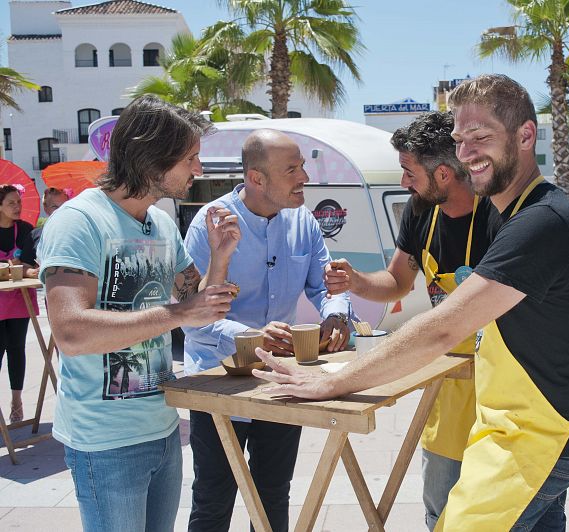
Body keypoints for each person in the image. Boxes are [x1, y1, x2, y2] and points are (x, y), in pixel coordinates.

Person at [252, 74, 569, 531]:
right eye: (461, 140)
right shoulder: (510, 211)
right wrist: (360, 285)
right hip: (516, 420)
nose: (465, 153)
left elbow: (443, 327)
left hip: (543, 433)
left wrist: (330, 384)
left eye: (480, 138)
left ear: (525, 136)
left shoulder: (541, 221)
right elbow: (405, 285)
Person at [37, 95, 241, 532]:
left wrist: (220, 260)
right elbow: (72, 331)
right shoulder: (78, 222)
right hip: (105, 441)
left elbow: (196, 308)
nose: (198, 170)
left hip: (162, 427)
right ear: (152, 161)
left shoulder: (161, 222)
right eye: (190, 159)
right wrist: (179, 311)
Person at [323, 111, 492, 530]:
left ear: (444, 175)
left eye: (409, 171)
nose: (404, 183)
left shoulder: (498, 214)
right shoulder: (419, 212)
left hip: (504, 382)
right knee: (441, 505)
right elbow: (398, 281)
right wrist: (357, 281)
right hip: (448, 381)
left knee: (500, 509)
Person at [182, 128, 350, 532]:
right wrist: (250, 336)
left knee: (273, 493)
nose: (304, 178)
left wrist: (337, 314)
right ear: (257, 178)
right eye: (292, 169)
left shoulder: (305, 223)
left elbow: (327, 287)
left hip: (281, 382)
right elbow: (190, 316)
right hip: (217, 380)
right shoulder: (210, 226)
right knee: (212, 498)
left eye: (303, 167)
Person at [0, 183, 40, 423]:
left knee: (16, 349)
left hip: (19, 300)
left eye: (19, 202)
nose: (17, 207)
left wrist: (22, 268)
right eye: (11, 203)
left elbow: (33, 266)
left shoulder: (26, 230)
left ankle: (16, 399)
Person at [31, 187, 71, 253]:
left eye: (64, 206)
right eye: (55, 207)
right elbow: (27, 263)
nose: (60, 210)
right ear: (45, 208)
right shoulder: (36, 236)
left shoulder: (80, 232)